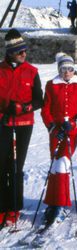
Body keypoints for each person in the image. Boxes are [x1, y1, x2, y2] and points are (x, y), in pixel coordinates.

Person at [0, 29, 43, 226]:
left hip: (24, 124)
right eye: (19, 51)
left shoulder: (32, 72)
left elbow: (39, 100)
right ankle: (2, 208)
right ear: (10, 52)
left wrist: (25, 107)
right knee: (2, 166)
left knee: (17, 167)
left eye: (24, 50)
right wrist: (8, 107)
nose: (24, 54)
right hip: (3, 122)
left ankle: (14, 208)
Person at [41, 53, 77, 223]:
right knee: (55, 166)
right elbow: (45, 109)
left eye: (70, 69)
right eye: (63, 69)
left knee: (63, 165)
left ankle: (62, 204)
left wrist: (75, 123)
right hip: (56, 132)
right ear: (59, 70)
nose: (67, 72)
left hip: (72, 132)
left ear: (74, 70)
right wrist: (53, 126)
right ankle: (52, 203)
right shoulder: (51, 85)